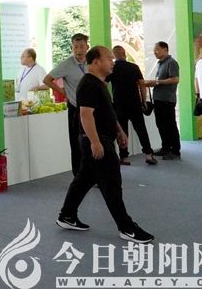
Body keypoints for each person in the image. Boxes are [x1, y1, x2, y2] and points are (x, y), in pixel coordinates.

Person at [56, 46, 154, 244]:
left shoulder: (99, 83)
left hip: (101, 138)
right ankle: (126, 227)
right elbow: (85, 115)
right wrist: (95, 141)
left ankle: (67, 215)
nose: (113, 62)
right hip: (97, 140)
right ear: (96, 62)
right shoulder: (88, 84)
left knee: (84, 179)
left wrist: (119, 129)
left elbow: (106, 110)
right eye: (109, 58)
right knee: (112, 184)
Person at [44, 33, 89, 175]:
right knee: (77, 143)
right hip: (75, 108)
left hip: (91, 108)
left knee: (92, 141)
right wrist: (63, 92)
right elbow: (47, 79)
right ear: (72, 48)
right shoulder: (66, 64)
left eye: (81, 46)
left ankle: (93, 175)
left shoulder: (92, 62)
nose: (79, 50)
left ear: (87, 47)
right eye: (75, 47)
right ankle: (78, 176)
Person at [106, 45, 156, 165]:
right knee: (141, 130)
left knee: (122, 131)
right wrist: (143, 101)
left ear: (114, 56)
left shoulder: (112, 68)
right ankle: (148, 155)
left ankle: (124, 157)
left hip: (119, 104)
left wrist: (108, 100)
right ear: (124, 53)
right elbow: (142, 85)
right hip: (134, 104)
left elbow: (103, 84)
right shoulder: (134, 67)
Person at [144, 41, 181, 160]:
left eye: (157, 49)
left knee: (170, 125)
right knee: (161, 125)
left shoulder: (171, 62)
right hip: (159, 99)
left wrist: (157, 82)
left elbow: (175, 79)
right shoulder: (160, 63)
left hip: (167, 99)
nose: (154, 52)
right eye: (154, 50)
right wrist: (153, 83)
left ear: (165, 49)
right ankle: (166, 148)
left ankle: (175, 151)